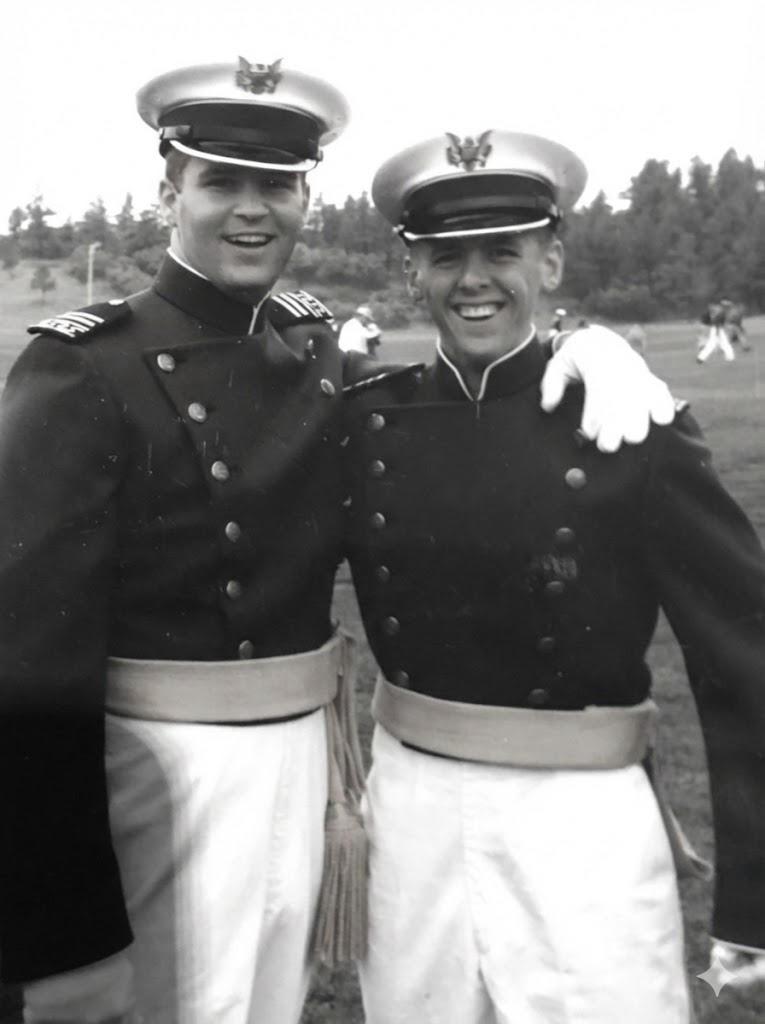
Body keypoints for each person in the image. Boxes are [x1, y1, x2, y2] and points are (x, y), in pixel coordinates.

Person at [0, 62, 677, 1024]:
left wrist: (586, 347)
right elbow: (28, 672)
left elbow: (448, 399)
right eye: (220, 182)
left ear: (304, 199)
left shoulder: (311, 344)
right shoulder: (81, 366)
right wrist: (61, 932)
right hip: (163, 772)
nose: (251, 210)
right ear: (168, 195)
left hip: (304, 767)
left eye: (275, 186)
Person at [342, 130, 765, 1023]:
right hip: (411, 808)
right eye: (445, 256)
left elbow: (743, 656)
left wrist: (754, 903)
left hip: (581, 825)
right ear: (412, 271)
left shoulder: (628, 420)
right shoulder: (366, 420)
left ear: (553, 260)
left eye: (504, 251)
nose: (474, 279)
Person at [697, 298, 735, 363]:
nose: (729, 308)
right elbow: (717, 322)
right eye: (728, 307)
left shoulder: (722, 312)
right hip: (717, 329)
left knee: (718, 344)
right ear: (725, 307)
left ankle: (701, 358)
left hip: (717, 329)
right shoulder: (722, 313)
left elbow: (719, 322)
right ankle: (730, 357)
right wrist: (717, 332)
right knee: (719, 344)